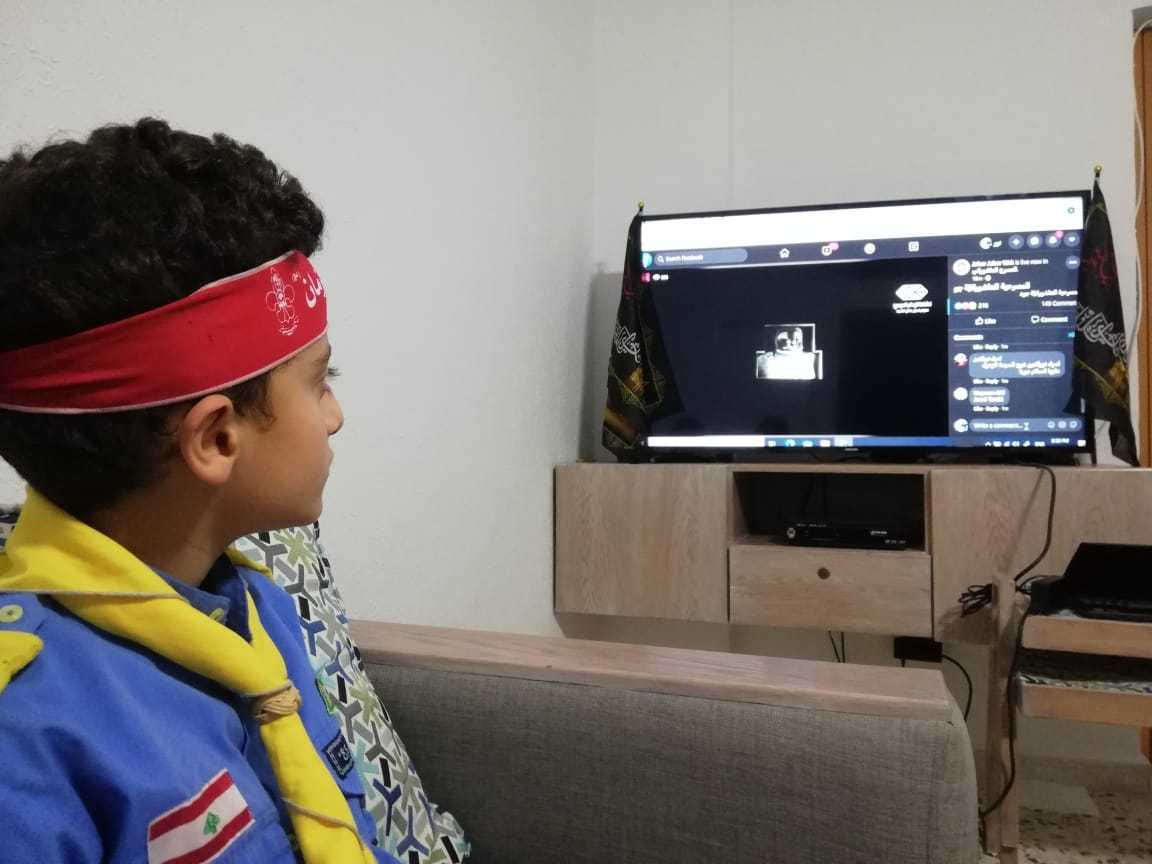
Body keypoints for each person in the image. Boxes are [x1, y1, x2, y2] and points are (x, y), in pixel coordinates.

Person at [0, 119, 400, 863]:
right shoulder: (24, 735)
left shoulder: (256, 610)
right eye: (321, 381)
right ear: (216, 438)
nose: (335, 416)